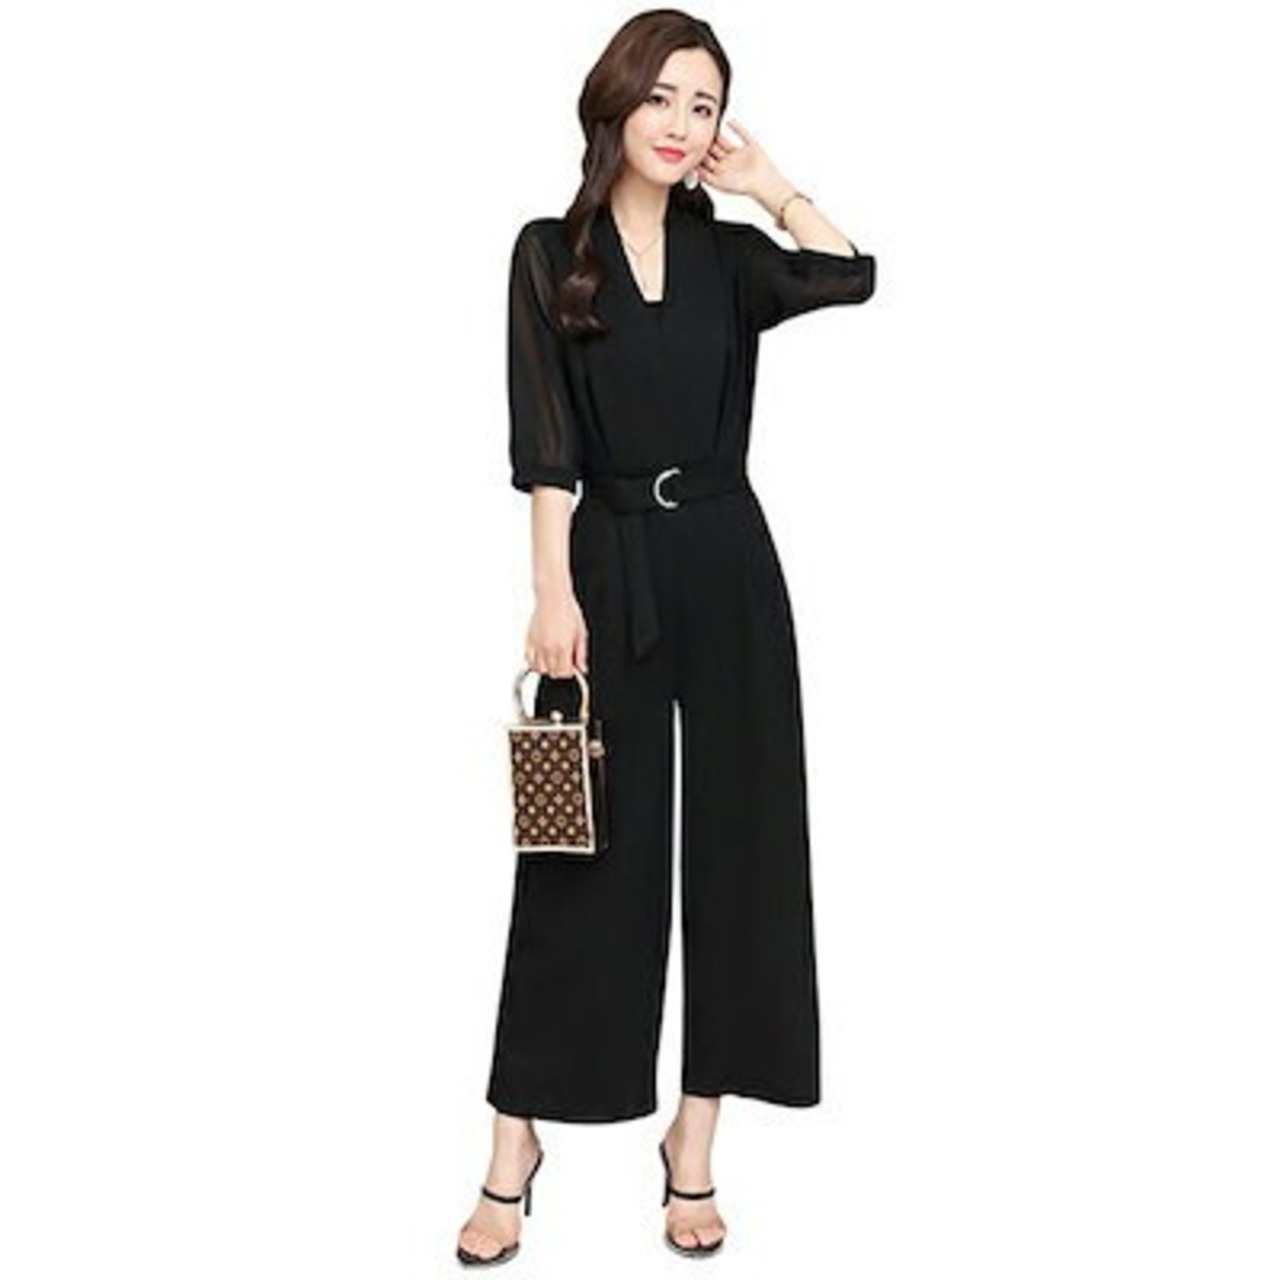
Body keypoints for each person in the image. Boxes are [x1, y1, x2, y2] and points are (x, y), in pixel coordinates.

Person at [457, 9, 876, 1267]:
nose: (684, 125)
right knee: (582, 853)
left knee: (744, 844)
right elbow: (545, 446)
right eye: (664, 98)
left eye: (705, 105)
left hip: (730, 563)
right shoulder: (550, 254)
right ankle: (514, 1138)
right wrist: (550, 592)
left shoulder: (727, 256)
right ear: (615, 104)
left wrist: (770, 182)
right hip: (607, 567)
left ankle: (693, 1137)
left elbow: (850, 272)